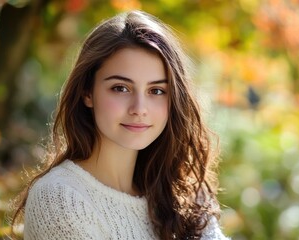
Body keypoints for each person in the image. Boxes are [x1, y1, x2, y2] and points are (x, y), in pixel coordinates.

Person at [12, 10, 229, 240]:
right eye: (121, 88)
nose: (139, 108)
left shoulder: (184, 196)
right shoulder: (60, 198)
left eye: (156, 91)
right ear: (88, 92)